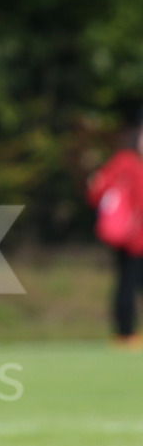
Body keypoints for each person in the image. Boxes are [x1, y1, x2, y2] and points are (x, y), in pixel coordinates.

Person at [86, 118, 143, 348]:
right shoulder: (127, 163)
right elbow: (98, 191)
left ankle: (125, 333)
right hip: (132, 240)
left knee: (127, 284)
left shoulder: (125, 162)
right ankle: (125, 334)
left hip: (129, 238)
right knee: (127, 285)